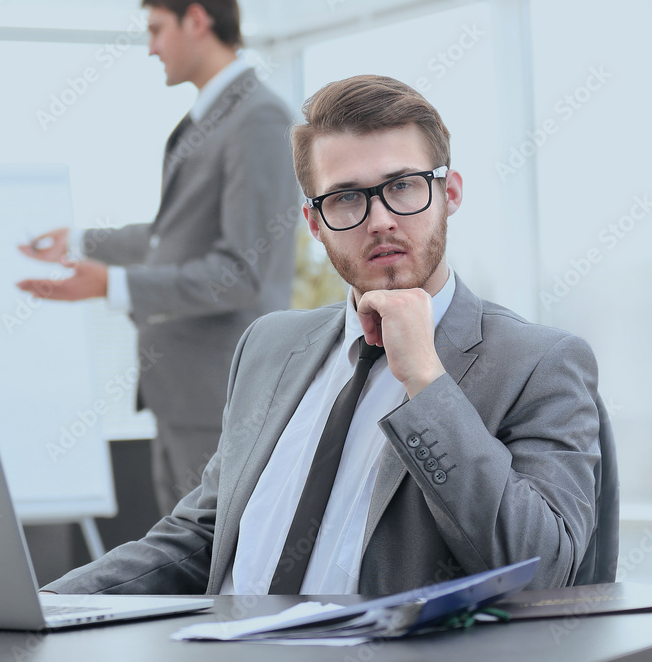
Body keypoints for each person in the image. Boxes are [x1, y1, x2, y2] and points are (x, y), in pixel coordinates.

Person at [43, 75, 617, 596]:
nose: (380, 219)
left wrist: (426, 382)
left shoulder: (538, 364)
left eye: (404, 186)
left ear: (451, 193)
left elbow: (542, 568)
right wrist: (50, 606)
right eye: (346, 197)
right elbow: (203, 536)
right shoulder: (269, 346)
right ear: (315, 223)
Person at [17, 0, 300, 516]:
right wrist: (79, 240)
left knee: (220, 555)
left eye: (156, 29)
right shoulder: (213, 116)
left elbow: (242, 273)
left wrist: (113, 285)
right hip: (184, 397)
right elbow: (172, 236)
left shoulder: (258, 119)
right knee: (187, 557)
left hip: (223, 395)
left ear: (197, 20)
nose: (150, 48)